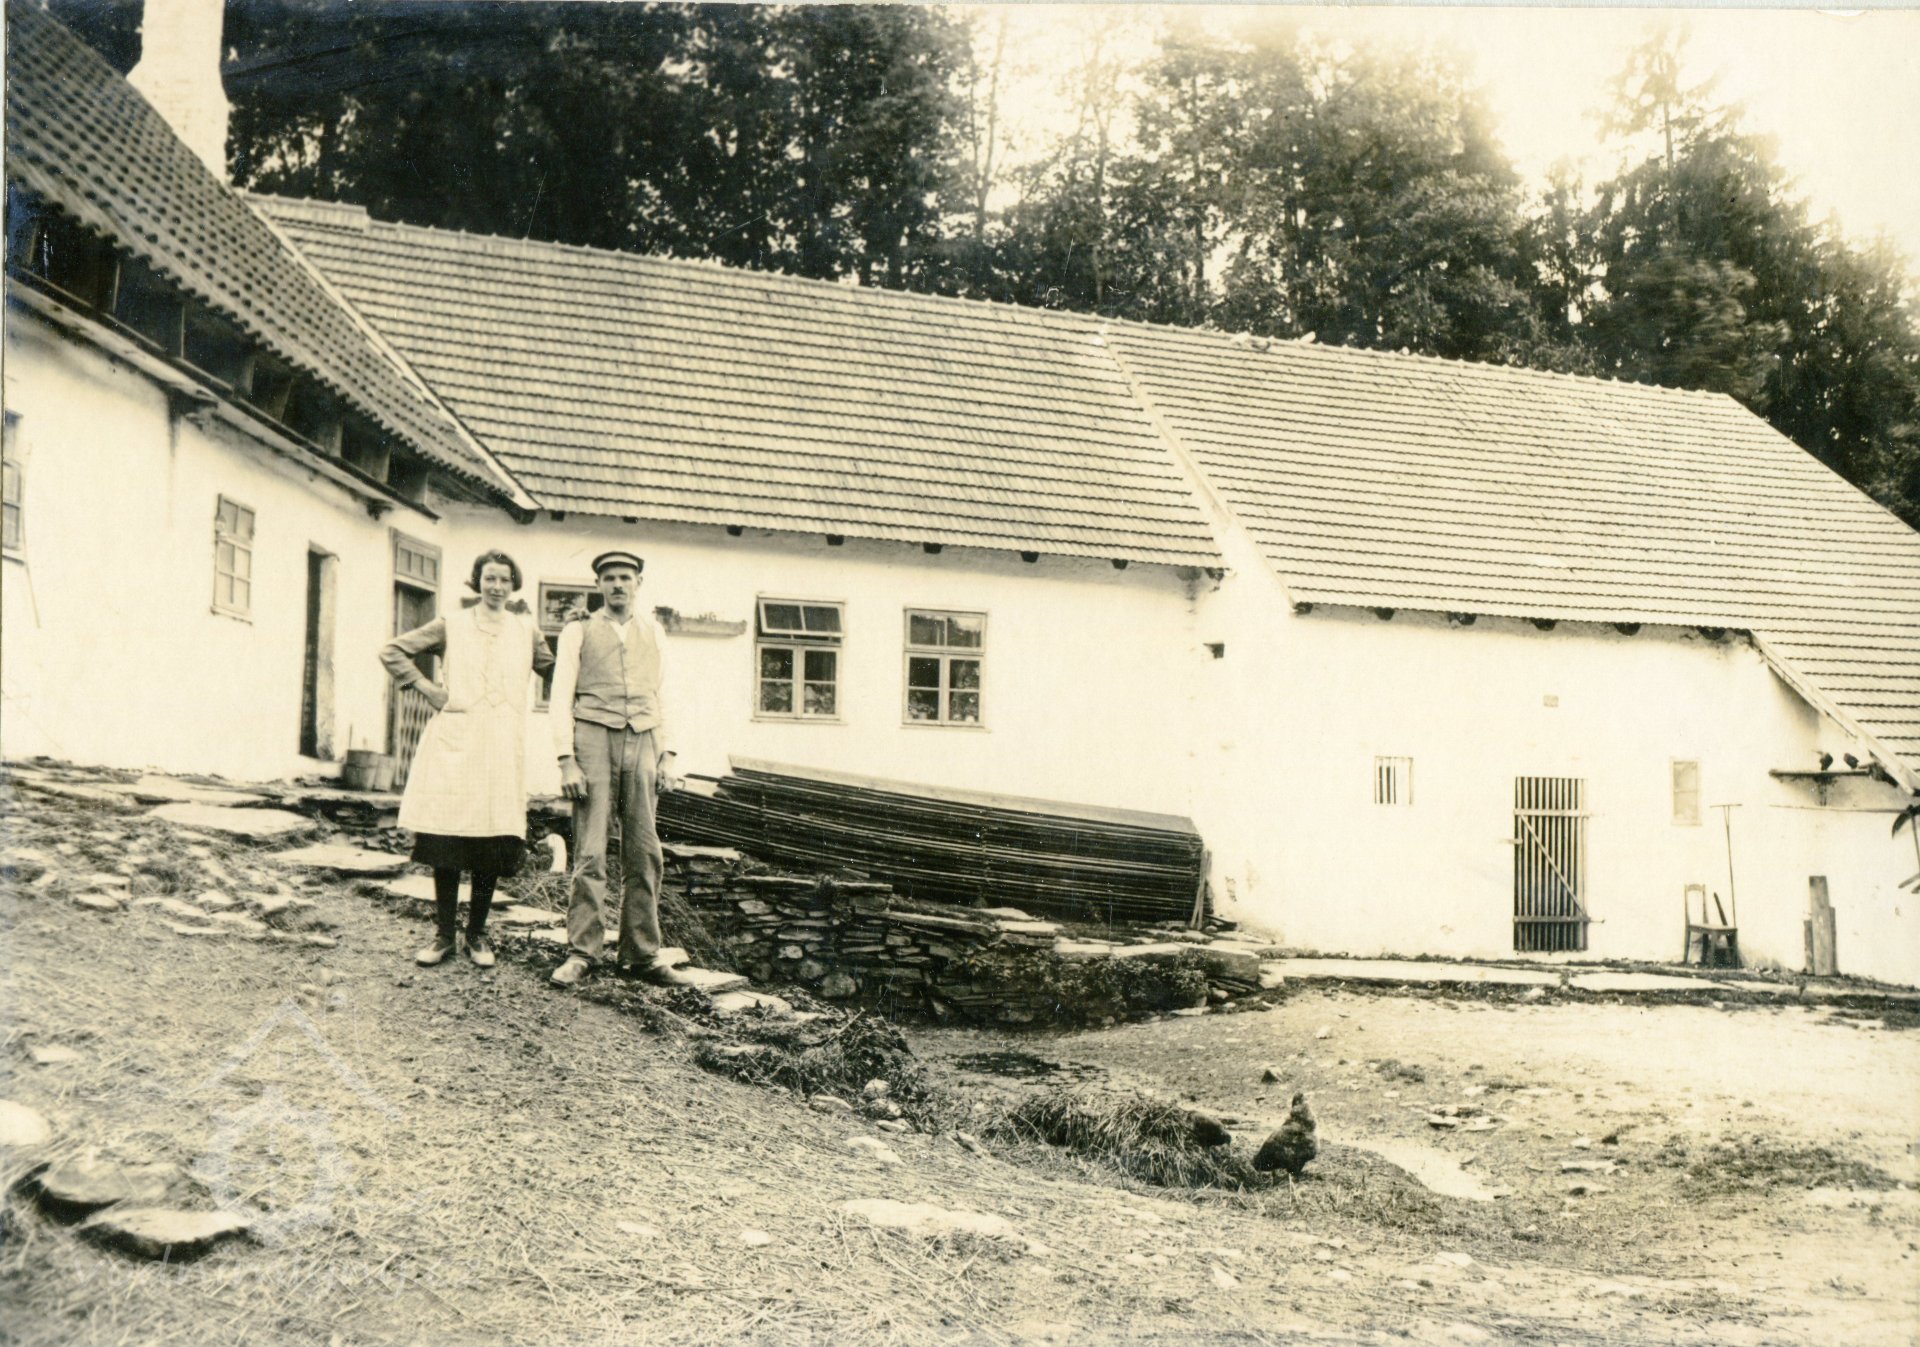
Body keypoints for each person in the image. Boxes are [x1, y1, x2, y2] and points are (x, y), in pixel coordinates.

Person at [380, 550, 554, 968]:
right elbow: (393, 651)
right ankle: (443, 936)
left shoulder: (526, 630)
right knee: (448, 839)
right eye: (489, 578)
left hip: (501, 748)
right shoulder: (452, 624)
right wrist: (427, 688)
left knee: (491, 840)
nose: (496, 587)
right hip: (456, 746)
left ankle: (477, 935)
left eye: (504, 579)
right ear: (478, 582)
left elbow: (556, 672)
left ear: (514, 585)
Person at [545, 550, 684, 986]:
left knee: (644, 852)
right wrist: (566, 761)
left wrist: (670, 753)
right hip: (593, 739)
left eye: (625, 577)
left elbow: (667, 693)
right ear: (598, 585)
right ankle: (582, 953)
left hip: (643, 738)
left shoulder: (654, 631)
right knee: (590, 851)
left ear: (638, 583)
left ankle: (641, 954)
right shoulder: (578, 630)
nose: (618, 584)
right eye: (609, 578)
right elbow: (560, 696)